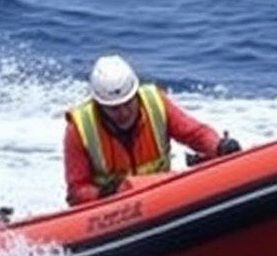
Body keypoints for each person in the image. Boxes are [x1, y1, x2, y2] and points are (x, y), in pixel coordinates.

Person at [63, 54, 241, 206]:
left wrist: (218, 146)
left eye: (127, 103)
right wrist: (104, 193)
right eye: (114, 108)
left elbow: (194, 133)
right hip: (115, 210)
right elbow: (76, 191)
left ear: (136, 94)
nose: (123, 113)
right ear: (99, 105)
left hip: (161, 197)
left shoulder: (155, 104)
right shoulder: (79, 129)